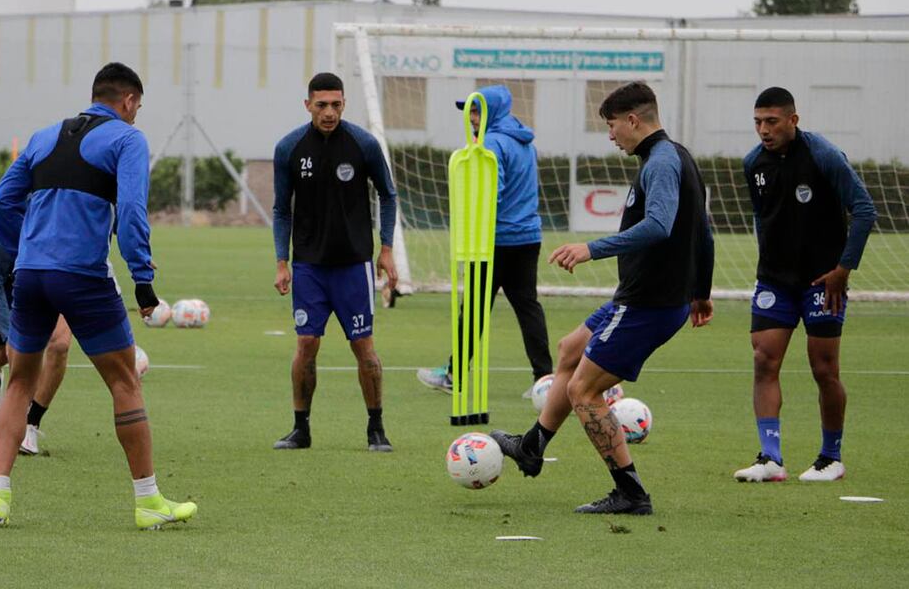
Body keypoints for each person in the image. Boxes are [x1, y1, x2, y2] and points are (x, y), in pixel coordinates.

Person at [0, 62, 197, 530]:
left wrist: (23, 249)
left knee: (20, 381)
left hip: (30, 274)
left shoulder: (43, 137)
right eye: (138, 107)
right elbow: (133, 210)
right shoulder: (127, 139)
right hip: (82, 276)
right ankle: (148, 501)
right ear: (129, 101)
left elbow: (1, 202)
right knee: (124, 381)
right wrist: (143, 280)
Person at [490, 82, 714, 515]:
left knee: (584, 392)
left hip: (648, 303)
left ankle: (631, 493)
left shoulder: (661, 162)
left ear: (633, 120)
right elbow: (704, 233)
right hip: (642, 297)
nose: (610, 135)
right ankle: (531, 448)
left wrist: (591, 249)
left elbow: (659, 226)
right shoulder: (677, 156)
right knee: (570, 349)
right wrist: (701, 293)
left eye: (612, 126)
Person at [734, 87, 876, 483]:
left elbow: (864, 210)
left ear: (793, 120)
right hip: (775, 281)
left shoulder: (823, 155)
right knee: (764, 360)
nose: (764, 129)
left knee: (824, 368)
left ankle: (831, 458)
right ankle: (771, 458)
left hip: (822, 282)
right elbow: (763, 216)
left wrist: (843, 270)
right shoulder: (753, 162)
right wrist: (769, 261)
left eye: (772, 121)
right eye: (758, 122)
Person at [271, 72, 398, 452]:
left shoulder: (363, 144)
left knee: (364, 347)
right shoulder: (289, 148)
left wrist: (386, 248)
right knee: (306, 343)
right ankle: (300, 429)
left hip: (353, 266)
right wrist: (281, 261)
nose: (329, 112)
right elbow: (281, 210)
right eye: (322, 105)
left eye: (336, 105)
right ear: (307, 105)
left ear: (344, 104)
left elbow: (388, 195)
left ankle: (376, 428)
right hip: (308, 266)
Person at [416, 85, 553, 397]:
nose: (471, 117)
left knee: (474, 310)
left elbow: (490, 192)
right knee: (527, 307)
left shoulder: (490, 142)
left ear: (493, 111)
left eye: (477, 111)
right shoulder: (524, 141)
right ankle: (545, 379)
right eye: (470, 111)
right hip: (527, 237)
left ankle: (454, 375)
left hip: (496, 240)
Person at [0, 236, 71, 455]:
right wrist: (10, 337)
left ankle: (31, 423)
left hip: (57, 279)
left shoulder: (64, 221)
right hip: (14, 285)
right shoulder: (13, 221)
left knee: (59, 345)